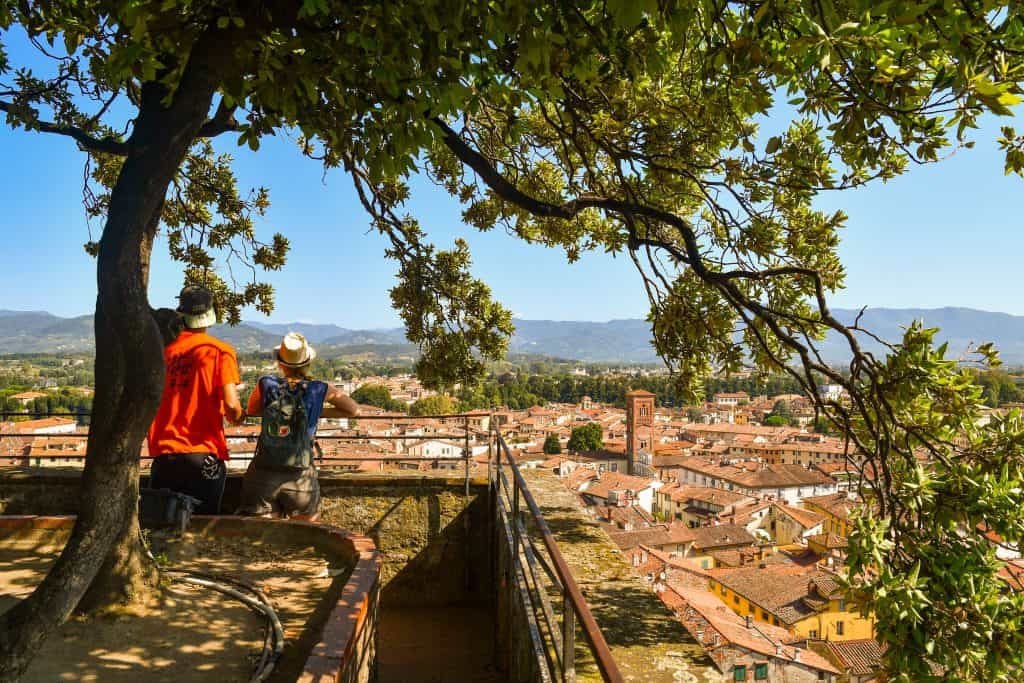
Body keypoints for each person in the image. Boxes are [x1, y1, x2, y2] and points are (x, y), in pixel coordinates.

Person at [239, 332, 358, 519]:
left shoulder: (266, 384)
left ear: (280, 362)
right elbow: (353, 410)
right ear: (307, 362)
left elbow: (252, 409)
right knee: (305, 533)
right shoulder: (319, 389)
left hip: (263, 474)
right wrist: (317, 411)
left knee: (264, 534)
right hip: (300, 478)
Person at [147, 286, 245, 514]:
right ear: (210, 314)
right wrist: (239, 417)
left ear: (182, 314)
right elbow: (232, 406)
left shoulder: (163, 353)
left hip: (164, 458)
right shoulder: (219, 351)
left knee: (162, 524)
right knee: (202, 525)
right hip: (203, 456)